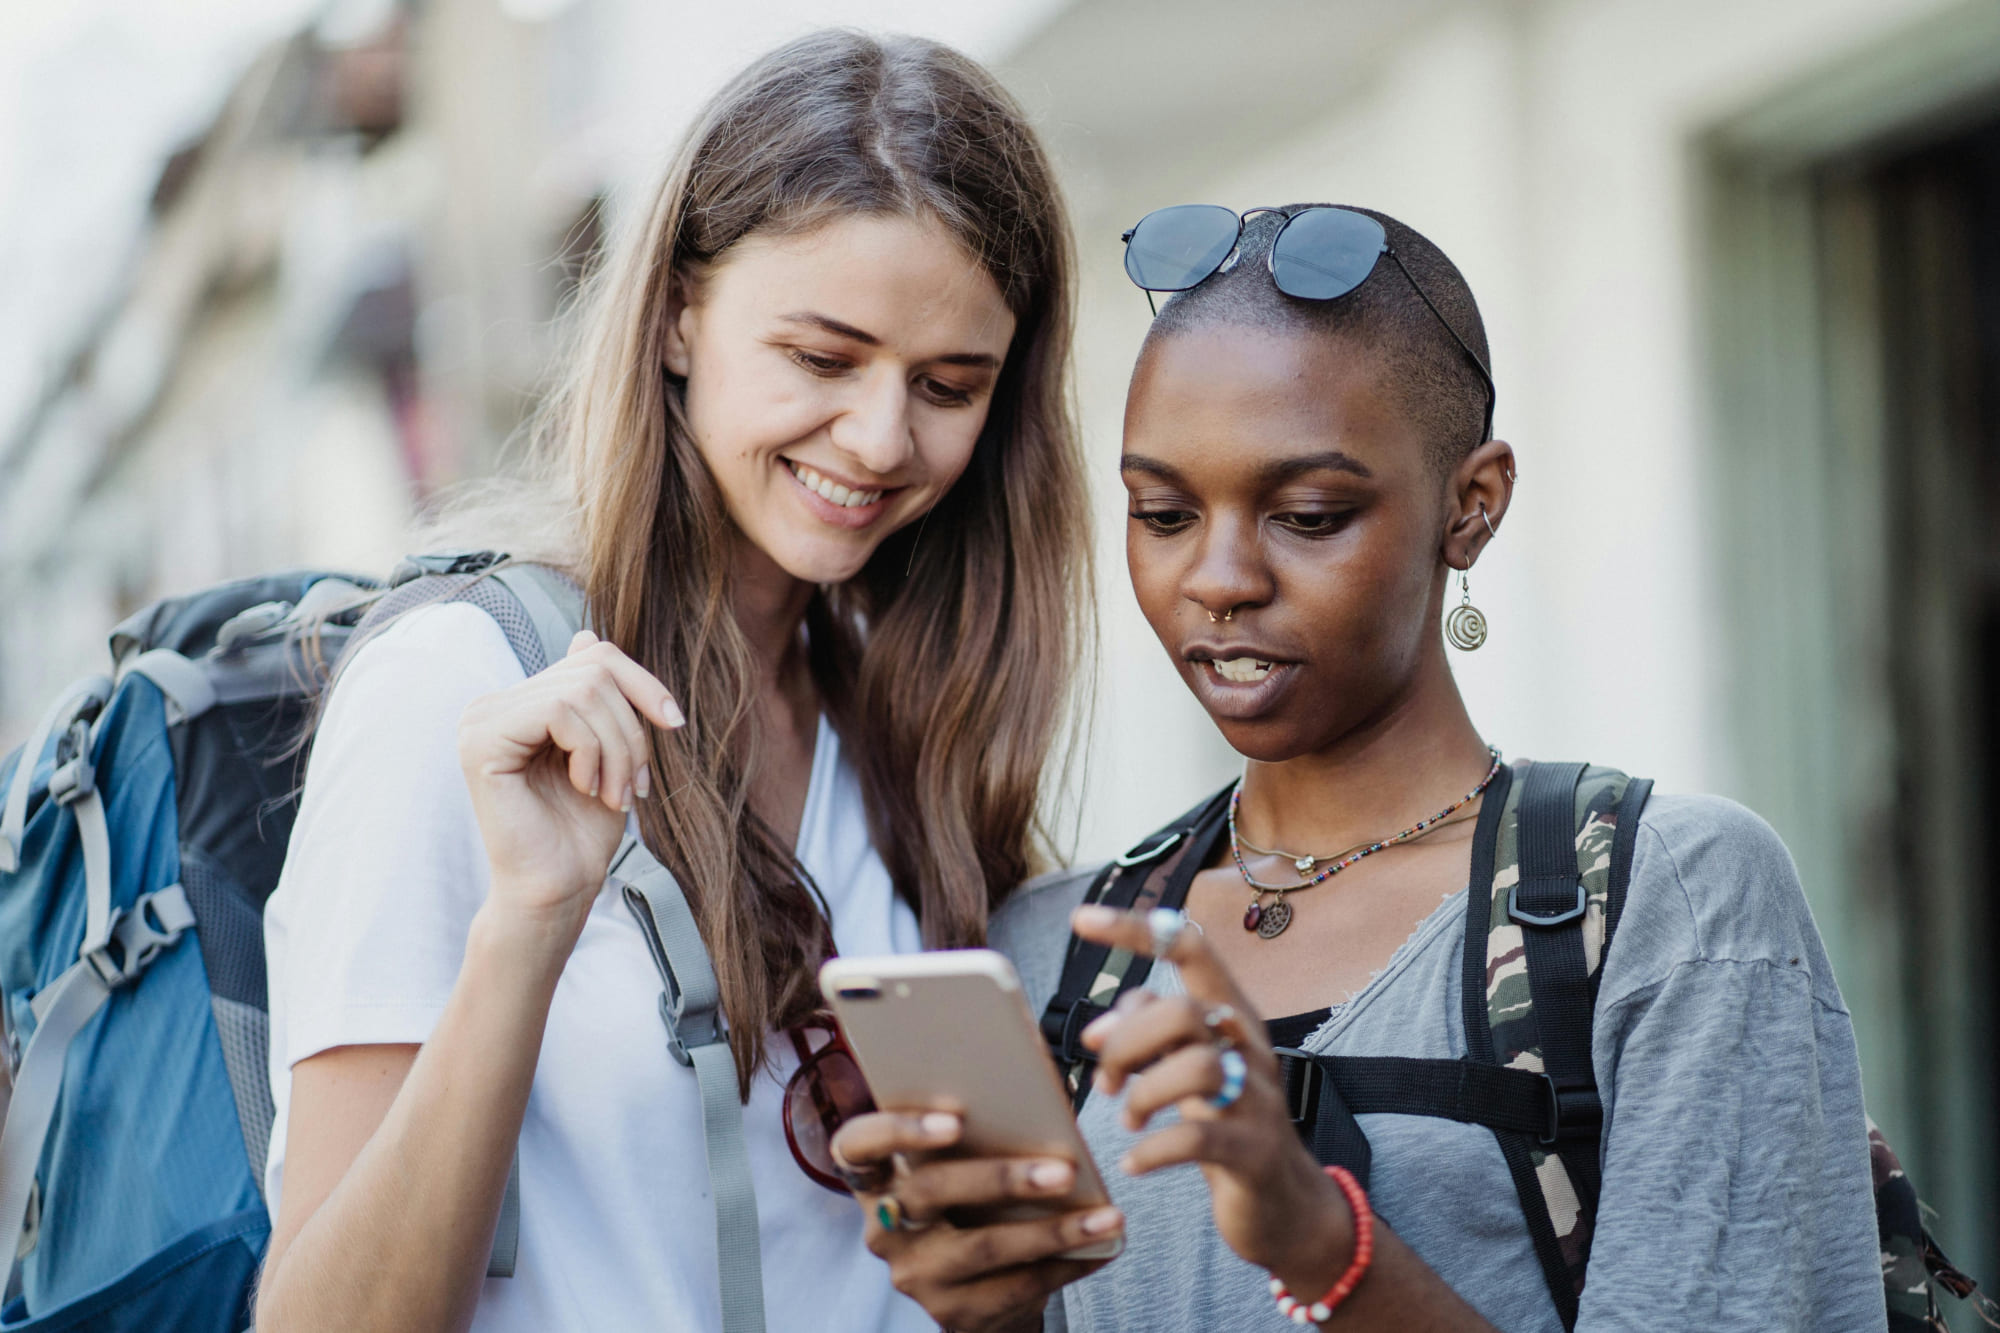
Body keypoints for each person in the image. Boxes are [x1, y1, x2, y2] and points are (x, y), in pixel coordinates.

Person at [831, 205, 1884, 1331]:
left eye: (1307, 513)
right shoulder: (1055, 954)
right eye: (1163, 513)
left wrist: (1319, 1242)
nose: (1219, 577)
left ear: (1469, 506)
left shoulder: (1656, 899)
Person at [252, 31, 1089, 1333]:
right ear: (682, 313)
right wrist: (527, 926)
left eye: (948, 385)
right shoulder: (461, 688)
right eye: (821, 359)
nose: (879, 438)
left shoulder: (899, 711)